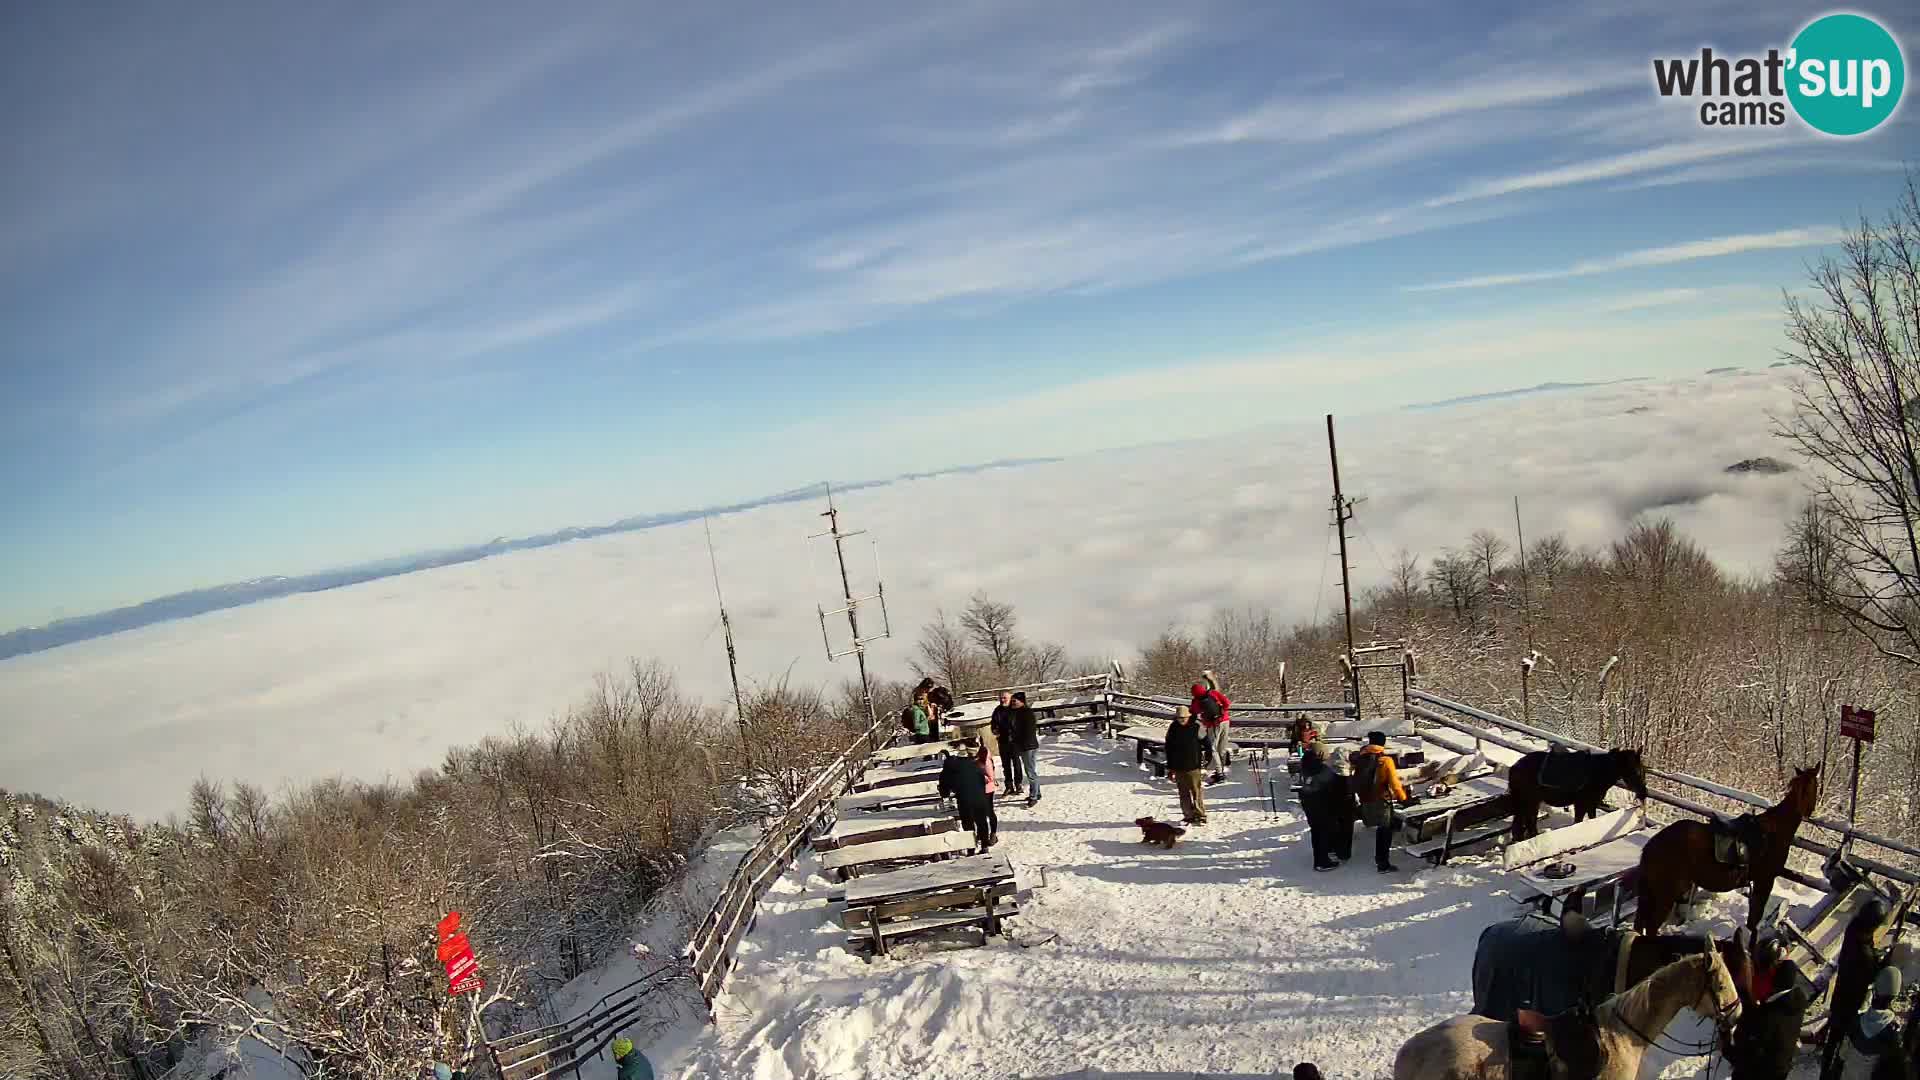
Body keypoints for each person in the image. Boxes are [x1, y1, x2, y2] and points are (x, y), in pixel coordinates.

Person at [1826, 898, 1894, 1080]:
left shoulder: (1854, 928)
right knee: (1841, 1037)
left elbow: (1868, 949)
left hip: (1842, 991)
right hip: (1850, 999)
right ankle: (1831, 1070)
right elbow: (1872, 974)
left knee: (1834, 1033)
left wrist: (1875, 954)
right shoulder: (1863, 955)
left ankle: (1827, 1064)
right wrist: (1883, 960)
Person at [1733, 931, 1813, 1080]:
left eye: (1759, 971)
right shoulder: (1795, 999)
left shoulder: (1770, 1015)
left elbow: (1745, 1057)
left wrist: (1727, 1045)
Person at [1832, 967, 1912, 1080]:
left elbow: (1842, 1055)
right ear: (1894, 997)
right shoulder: (1891, 1033)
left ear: (1874, 992)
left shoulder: (1857, 1020)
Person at [1351, 731, 1411, 873]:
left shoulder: (1361, 757)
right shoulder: (1385, 760)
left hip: (1366, 798)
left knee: (1383, 826)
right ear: (1382, 743)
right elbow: (1395, 784)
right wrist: (1403, 799)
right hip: (1381, 800)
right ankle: (1382, 864)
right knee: (1385, 831)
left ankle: (1381, 860)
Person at [939, 742, 996, 849]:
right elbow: (982, 779)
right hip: (979, 796)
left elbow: (944, 782)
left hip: (964, 798)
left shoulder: (951, 766)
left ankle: (971, 847)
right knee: (981, 821)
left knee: (968, 822)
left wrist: (945, 793)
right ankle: (984, 845)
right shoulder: (975, 764)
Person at [1296, 746, 1341, 870]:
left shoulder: (1304, 769)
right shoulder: (1322, 770)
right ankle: (1322, 861)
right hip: (1321, 804)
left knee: (1316, 832)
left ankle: (1320, 859)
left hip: (1309, 803)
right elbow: (1333, 781)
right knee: (1323, 832)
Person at [1166, 705, 1209, 826]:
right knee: (1183, 792)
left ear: (1188, 717)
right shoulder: (1173, 727)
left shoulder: (1196, 727)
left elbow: (1206, 742)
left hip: (1193, 765)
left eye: (1183, 718)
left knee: (1196, 791)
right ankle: (1188, 815)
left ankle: (1200, 815)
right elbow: (1168, 747)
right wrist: (1170, 767)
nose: (1181, 720)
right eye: (1179, 718)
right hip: (1178, 766)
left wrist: (1207, 759)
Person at [1190, 681, 1234, 785]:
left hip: (1213, 725)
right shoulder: (1213, 693)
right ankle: (1221, 771)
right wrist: (1222, 713)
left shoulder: (1197, 700)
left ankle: (1219, 774)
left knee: (1213, 749)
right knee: (1222, 747)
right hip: (1225, 721)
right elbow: (1227, 703)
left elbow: (1193, 711)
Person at [1010, 691, 1042, 807]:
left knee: (1030, 772)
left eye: (1014, 701)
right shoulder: (1019, 712)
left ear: (1021, 701)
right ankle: (1037, 793)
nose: (1012, 703)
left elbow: (1027, 732)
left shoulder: (1026, 713)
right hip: (1028, 745)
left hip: (1027, 746)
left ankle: (1034, 796)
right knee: (1031, 770)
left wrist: (1016, 740)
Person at [991, 690, 1024, 795]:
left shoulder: (1016, 710)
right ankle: (1009, 786)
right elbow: (993, 724)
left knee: (1017, 764)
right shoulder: (997, 710)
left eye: (1004, 698)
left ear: (1010, 698)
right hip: (1003, 741)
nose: (1002, 700)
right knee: (1006, 765)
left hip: (1014, 741)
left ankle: (1018, 784)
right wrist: (995, 730)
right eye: (1000, 698)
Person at [973, 735, 1001, 847]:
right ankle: (981, 832)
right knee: (978, 812)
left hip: (987, 788)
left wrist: (979, 776)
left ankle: (993, 833)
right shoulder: (974, 757)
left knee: (989, 811)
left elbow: (990, 777)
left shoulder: (985, 757)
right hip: (977, 788)